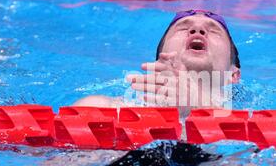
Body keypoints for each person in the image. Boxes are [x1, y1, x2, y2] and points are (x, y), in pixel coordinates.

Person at [73, 10, 241, 113]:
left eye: (214, 31)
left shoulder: (255, 123)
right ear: (157, 64)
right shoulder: (102, 109)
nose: (197, 30)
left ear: (233, 74)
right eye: (182, 28)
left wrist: (198, 107)